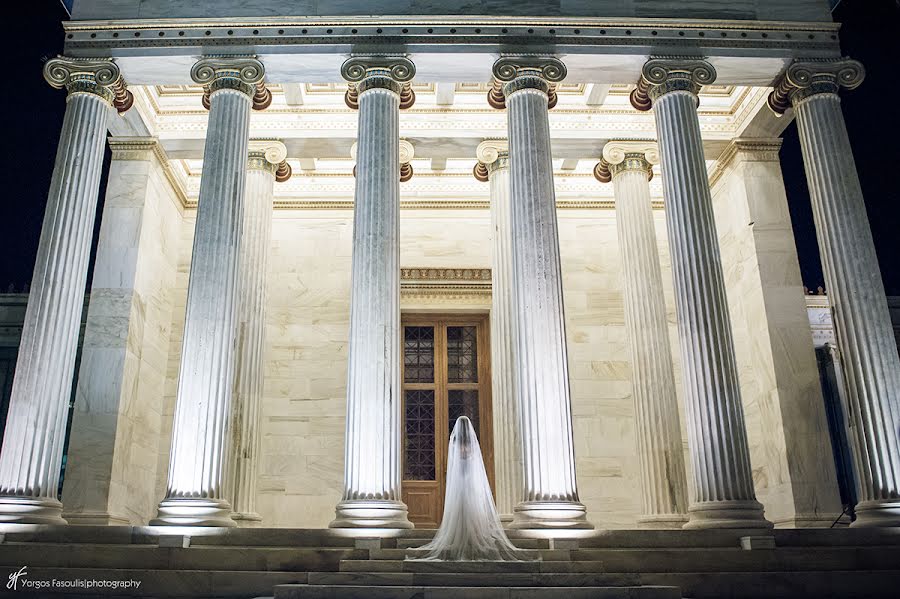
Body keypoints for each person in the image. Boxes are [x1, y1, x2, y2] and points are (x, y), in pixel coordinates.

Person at [407, 416, 533, 561]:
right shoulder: (471, 446)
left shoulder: (455, 444)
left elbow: (456, 464)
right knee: (470, 512)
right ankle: (471, 539)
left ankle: (465, 540)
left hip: (461, 483)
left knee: (462, 512)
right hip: (470, 483)